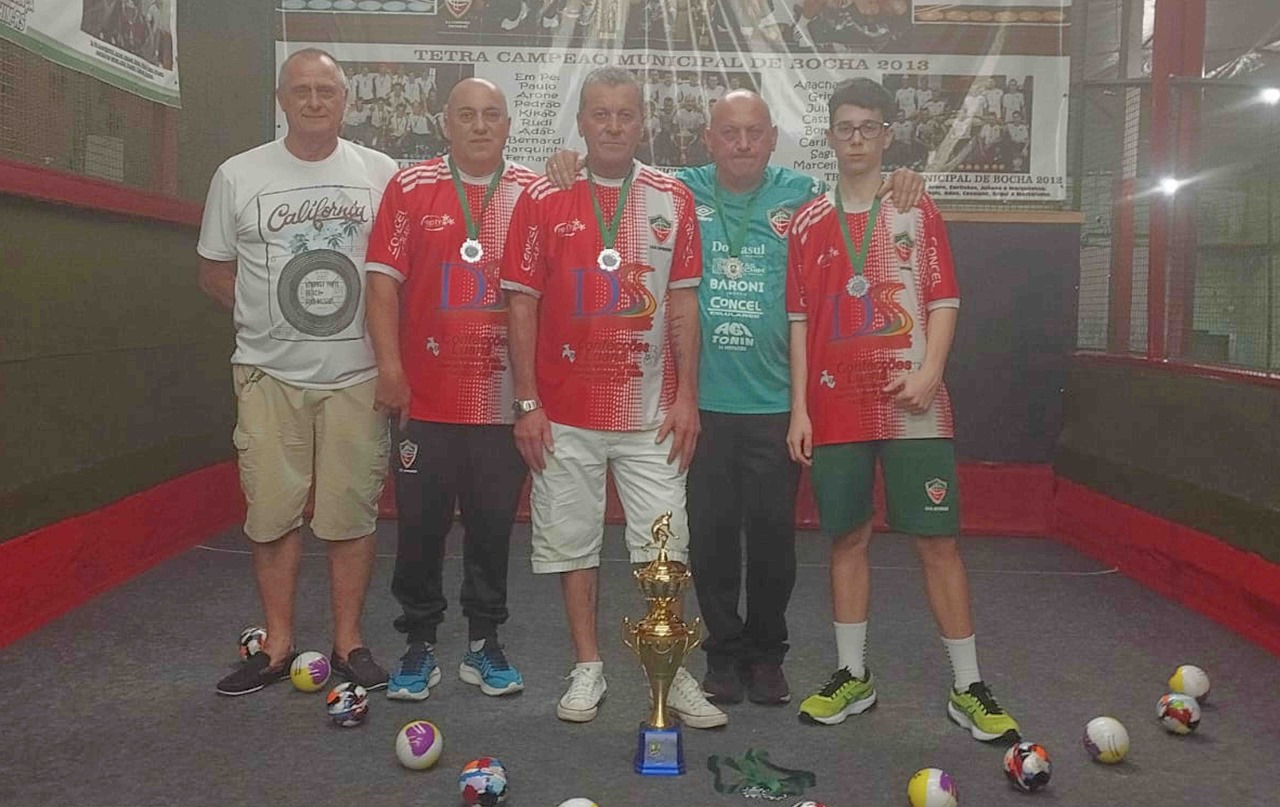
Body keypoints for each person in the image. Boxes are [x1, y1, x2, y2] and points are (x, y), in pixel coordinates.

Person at [544, 90, 924, 709]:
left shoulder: (804, 195)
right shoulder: (679, 190)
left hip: (776, 403)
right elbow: (615, 168)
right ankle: (721, 656)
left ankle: (767, 657)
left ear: (773, 138)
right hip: (700, 406)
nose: (742, 143)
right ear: (708, 140)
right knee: (711, 540)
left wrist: (903, 178)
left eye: (754, 132)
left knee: (773, 541)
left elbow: (862, 194)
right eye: (729, 132)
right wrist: (570, 161)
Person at [785, 78, 1021, 743]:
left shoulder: (916, 208)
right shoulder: (807, 222)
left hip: (913, 402)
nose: (856, 139)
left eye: (869, 127)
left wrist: (931, 371)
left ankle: (969, 684)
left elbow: (944, 300)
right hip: (835, 404)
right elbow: (799, 321)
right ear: (830, 137)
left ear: (887, 135)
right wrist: (799, 409)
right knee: (847, 538)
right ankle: (852, 674)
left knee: (938, 542)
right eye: (845, 127)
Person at [499, 66, 725, 729]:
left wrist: (688, 399)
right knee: (573, 543)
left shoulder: (671, 197)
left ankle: (672, 670)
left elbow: (683, 303)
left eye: (626, 114)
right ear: (581, 122)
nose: (613, 126)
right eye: (601, 114)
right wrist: (526, 402)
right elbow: (521, 304)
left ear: (643, 123)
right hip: (564, 413)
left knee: (666, 542)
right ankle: (587, 664)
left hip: (652, 412)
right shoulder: (544, 196)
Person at [197, 48, 396, 697]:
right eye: (302, 90)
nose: (314, 101)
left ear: (345, 101)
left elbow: (397, 273)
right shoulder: (238, 174)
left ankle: (349, 641)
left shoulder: (381, 173)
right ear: (282, 99)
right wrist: (265, 313)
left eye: (326, 91)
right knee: (272, 513)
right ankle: (278, 644)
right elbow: (214, 271)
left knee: (350, 514)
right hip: (267, 374)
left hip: (356, 374)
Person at [363, 78, 536, 703]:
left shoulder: (533, 193)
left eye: (491, 115)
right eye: (467, 115)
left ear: (508, 125)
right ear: (445, 123)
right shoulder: (410, 187)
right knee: (420, 527)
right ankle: (419, 642)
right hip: (426, 399)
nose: (480, 125)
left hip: (502, 401)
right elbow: (382, 282)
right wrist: (390, 368)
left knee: (492, 528)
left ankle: (485, 643)